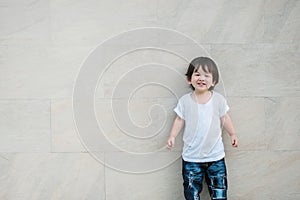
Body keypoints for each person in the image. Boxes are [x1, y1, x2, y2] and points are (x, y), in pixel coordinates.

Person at [167, 57, 238, 200]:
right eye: (197, 74)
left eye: (207, 75)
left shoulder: (218, 100)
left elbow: (225, 118)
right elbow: (179, 120)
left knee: (219, 192)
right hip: (191, 157)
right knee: (191, 193)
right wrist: (172, 136)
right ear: (189, 79)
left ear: (214, 81)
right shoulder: (185, 101)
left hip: (216, 157)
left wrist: (233, 134)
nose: (201, 78)